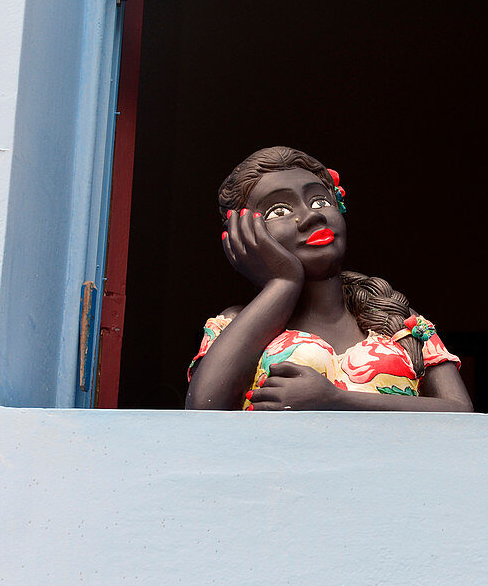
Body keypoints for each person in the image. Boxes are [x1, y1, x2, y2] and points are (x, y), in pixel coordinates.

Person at [185, 146, 472, 412]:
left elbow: (461, 413)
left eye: (320, 201)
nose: (311, 216)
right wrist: (283, 283)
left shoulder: (401, 325)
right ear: (244, 233)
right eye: (280, 211)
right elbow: (203, 409)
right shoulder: (234, 327)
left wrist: (336, 400)